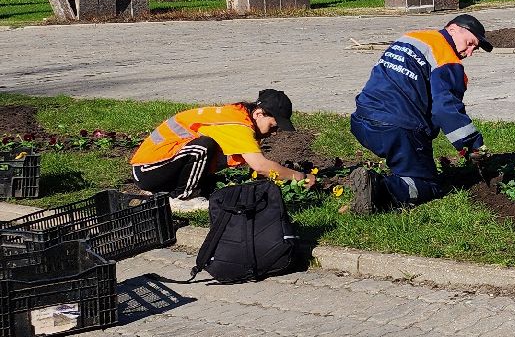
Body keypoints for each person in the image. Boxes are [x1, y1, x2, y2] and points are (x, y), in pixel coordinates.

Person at [346, 14, 492, 212]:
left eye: (475, 49)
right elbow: (445, 108)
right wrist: (473, 146)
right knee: (427, 184)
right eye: (470, 43)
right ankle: (380, 187)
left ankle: (381, 178)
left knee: (406, 160)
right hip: (396, 128)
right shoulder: (446, 58)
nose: (470, 52)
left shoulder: (411, 38)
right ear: (453, 29)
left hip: (363, 119)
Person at [129, 89, 313, 213]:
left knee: (219, 152)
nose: (274, 133)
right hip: (147, 171)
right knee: (204, 146)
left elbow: (250, 162)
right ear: (258, 114)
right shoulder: (237, 124)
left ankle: (171, 191)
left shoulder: (238, 115)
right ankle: (182, 199)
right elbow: (261, 166)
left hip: (158, 168)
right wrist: (300, 177)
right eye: (273, 126)